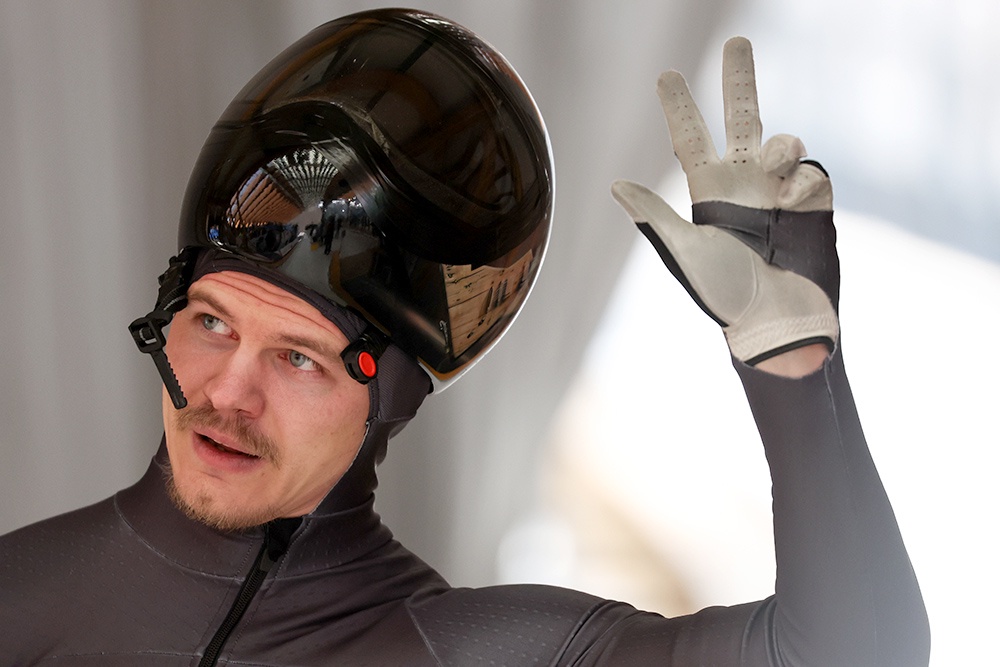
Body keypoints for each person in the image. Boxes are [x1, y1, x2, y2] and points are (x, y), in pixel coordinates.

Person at [0, 8, 929, 666]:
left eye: (297, 358)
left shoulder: (472, 651)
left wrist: (794, 366)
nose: (226, 393)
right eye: (211, 322)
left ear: (392, 399)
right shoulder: (22, 593)